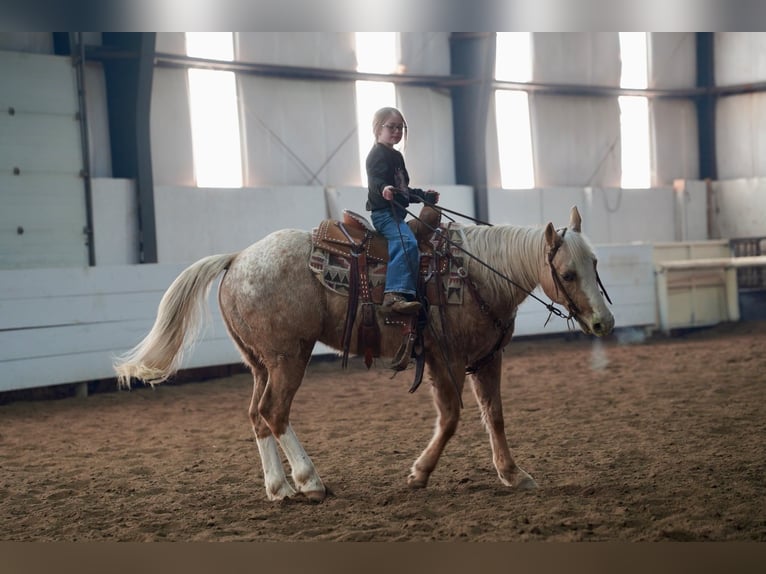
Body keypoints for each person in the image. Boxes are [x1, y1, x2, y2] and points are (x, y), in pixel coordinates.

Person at [365, 107, 439, 315]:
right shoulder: (376, 154)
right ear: (378, 128)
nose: (397, 131)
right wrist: (384, 189)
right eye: (392, 127)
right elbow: (376, 180)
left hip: (397, 214)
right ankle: (394, 294)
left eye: (400, 127)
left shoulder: (396, 156)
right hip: (384, 215)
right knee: (407, 243)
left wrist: (423, 196)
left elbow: (403, 191)